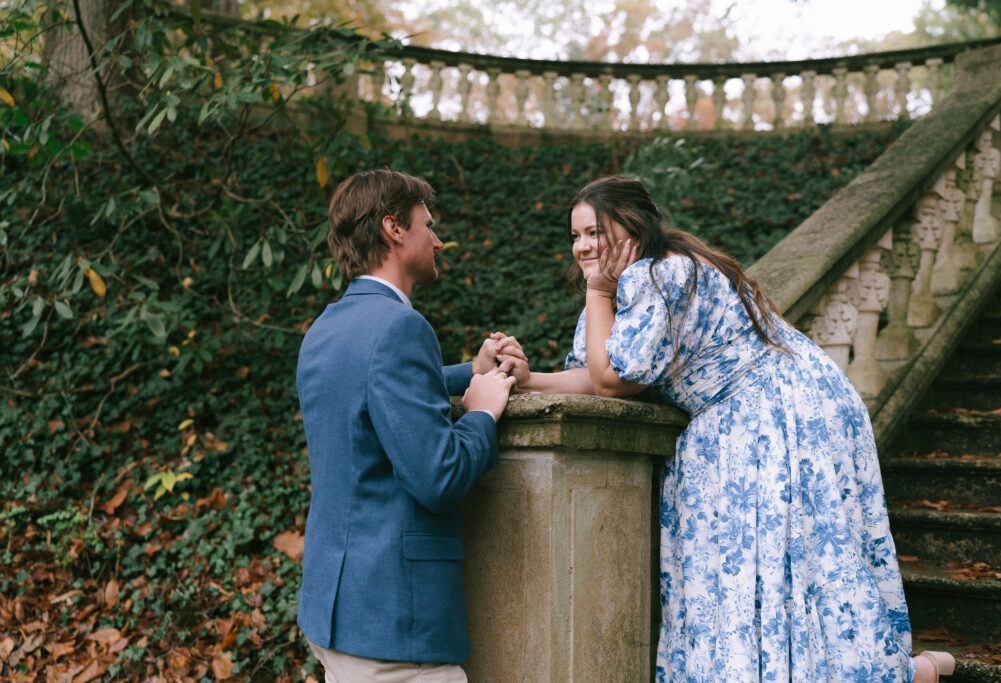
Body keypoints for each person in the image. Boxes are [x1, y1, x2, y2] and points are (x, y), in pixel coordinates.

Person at [514, 176, 955, 682]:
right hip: (757, 416)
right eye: (575, 236)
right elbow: (598, 371)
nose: (583, 246)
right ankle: (913, 670)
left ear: (632, 226)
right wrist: (530, 380)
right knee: (763, 575)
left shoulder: (662, 275)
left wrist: (595, 290)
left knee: (794, 568)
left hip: (773, 416)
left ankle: (903, 671)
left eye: (596, 231)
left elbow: (615, 379)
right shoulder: (634, 284)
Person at [295, 168, 525, 682]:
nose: (439, 240)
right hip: (392, 624)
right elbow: (438, 477)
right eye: (428, 225)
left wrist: (472, 371)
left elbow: (372, 386)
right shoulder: (401, 326)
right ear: (393, 228)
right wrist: (483, 412)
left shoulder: (327, 327)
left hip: (333, 610)